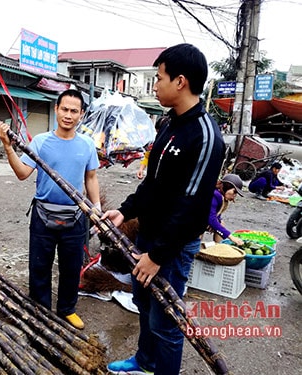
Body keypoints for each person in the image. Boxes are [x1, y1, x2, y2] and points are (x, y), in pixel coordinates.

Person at [101, 44, 225, 375]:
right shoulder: (168, 125)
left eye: (158, 78)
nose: (154, 85)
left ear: (180, 81)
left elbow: (192, 207)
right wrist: (125, 212)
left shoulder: (206, 136)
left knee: (167, 323)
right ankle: (145, 361)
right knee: (144, 304)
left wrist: (157, 256)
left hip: (170, 248)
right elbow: (153, 185)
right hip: (148, 237)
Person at [0, 89, 100, 330]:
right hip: (43, 214)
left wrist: (96, 208)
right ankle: (40, 311)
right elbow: (22, 174)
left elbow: (91, 177)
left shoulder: (86, 144)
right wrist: (8, 147)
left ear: (81, 114)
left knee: (71, 266)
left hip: (76, 216)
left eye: (74, 111)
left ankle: (67, 309)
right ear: (56, 110)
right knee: (39, 266)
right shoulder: (41, 142)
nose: (68, 115)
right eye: (64, 109)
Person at [206, 174, 245, 246]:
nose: (234, 196)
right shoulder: (214, 195)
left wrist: (219, 220)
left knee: (220, 223)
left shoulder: (221, 196)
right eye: (234, 192)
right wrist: (231, 236)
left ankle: (219, 247)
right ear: (227, 186)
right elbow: (211, 218)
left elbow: (216, 214)